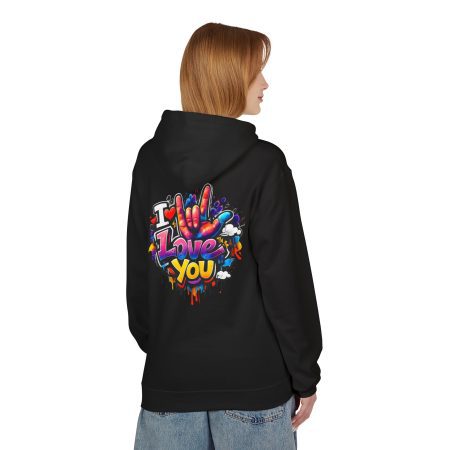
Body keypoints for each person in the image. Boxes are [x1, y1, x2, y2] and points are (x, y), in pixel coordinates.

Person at [127, 22, 323, 450]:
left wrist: (168, 350)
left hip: (168, 385)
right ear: (229, 78)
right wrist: (305, 374)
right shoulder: (264, 164)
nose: (265, 83)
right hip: (253, 388)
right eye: (256, 72)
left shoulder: (149, 159)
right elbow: (285, 281)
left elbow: (139, 278)